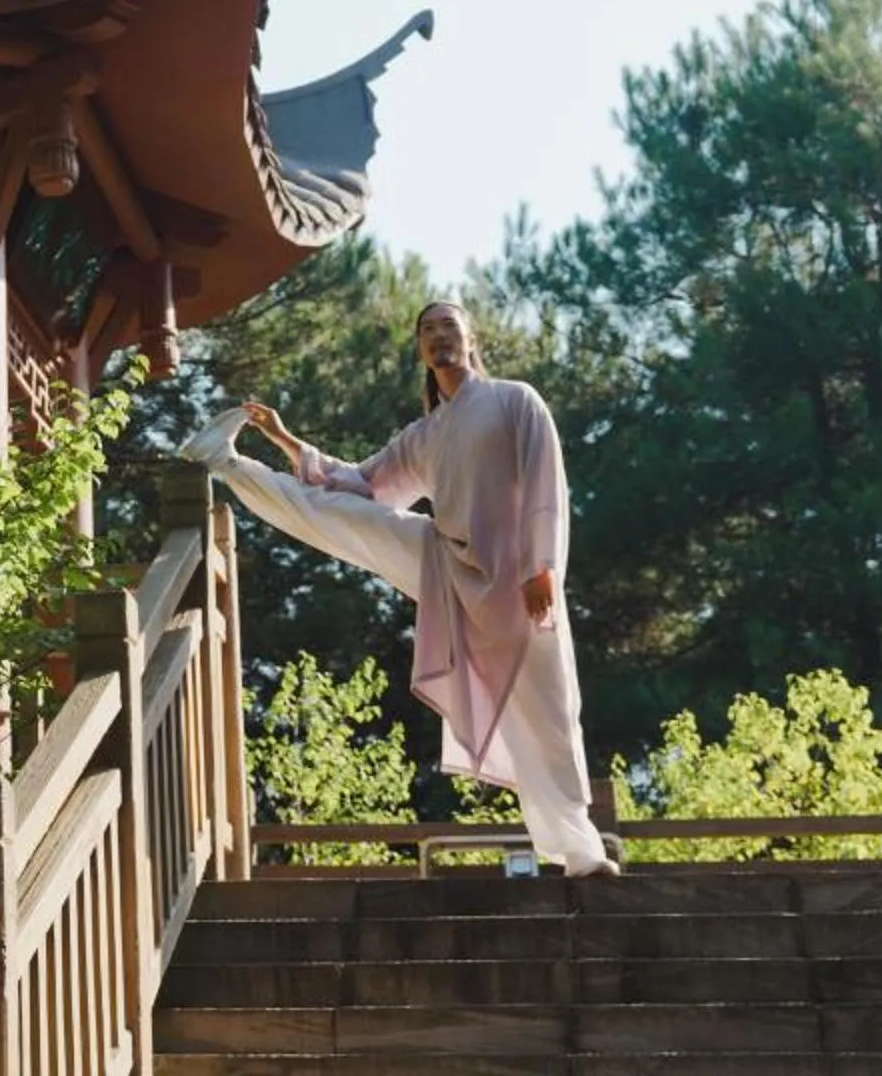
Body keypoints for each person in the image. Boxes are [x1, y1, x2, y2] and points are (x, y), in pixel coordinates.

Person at [183, 300, 618, 878]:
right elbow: (364, 485)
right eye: (428, 329)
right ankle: (230, 465)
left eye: (449, 325)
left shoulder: (515, 401)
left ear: (470, 337)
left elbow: (546, 486)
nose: (439, 336)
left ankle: (579, 851)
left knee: (551, 714)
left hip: (518, 582)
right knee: (349, 517)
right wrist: (286, 441)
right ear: (420, 348)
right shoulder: (425, 434)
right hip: (446, 564)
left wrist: (543, 569)